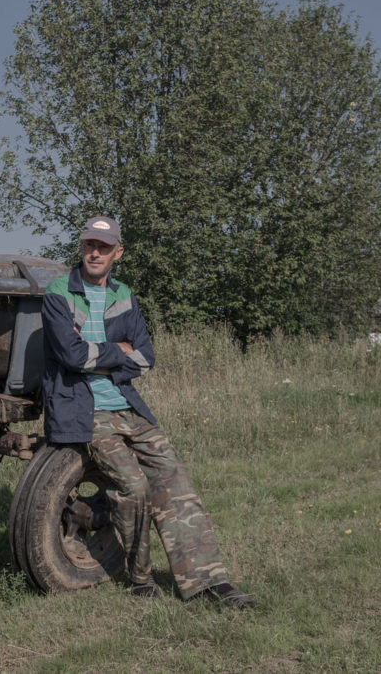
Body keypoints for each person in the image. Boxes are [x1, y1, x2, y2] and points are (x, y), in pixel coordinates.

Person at [40, 216, 254, 609]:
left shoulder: (124, 294)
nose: (95, 252)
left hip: (127, 406)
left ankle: (208, 583)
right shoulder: (58, 293)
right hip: (86, 410)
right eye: (89, 244)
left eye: (104, 247)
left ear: (117, 253)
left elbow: (145, 358)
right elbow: (70, 356)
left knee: (175, 480)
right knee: (134, 488)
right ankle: (139, 577)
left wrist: (105, 356)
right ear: (81, 247)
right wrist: (116, 351)